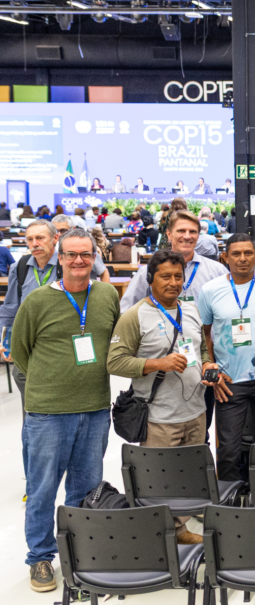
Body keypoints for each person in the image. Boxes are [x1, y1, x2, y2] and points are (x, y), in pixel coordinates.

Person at [10, 228, 120, 592]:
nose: (78, 261)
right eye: (71, 254)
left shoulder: (105, 295)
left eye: (85, 255)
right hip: (47, 413)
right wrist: (52, 383)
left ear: (94, 258)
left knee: (87, 488)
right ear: (60, 257)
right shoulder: (38, 301)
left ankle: (80, 553)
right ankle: (40, 558)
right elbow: (20, 353)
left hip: (94, 408)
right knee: (42, 489)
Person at [106, 249, 218, 543]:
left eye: (178, 276)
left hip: (195, 411)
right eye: (165, 276)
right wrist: (158, 364)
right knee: (160, 479)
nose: (173, 282)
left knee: (189, 474)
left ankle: (179, 528)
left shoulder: (190, 310)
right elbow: (115, 362)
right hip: (159, 417)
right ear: (150, 279)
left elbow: (201, 349)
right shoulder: (135, 316)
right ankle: (159, 537)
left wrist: (207, 364)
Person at [197, 233, 255, 481]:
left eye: (248, 253)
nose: (242, 259)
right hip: (229, 380)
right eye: (236, 254)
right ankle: (228, 497)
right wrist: (211, 368)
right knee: (228, 447)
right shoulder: (210, 290)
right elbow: (205, 334)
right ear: (225, 258)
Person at [0, 220, 61, 414]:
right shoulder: (20, 267)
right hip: (28, 342)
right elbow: (10, 307)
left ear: (55, 238)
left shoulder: (67, 263)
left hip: (60, 342)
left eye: (40, 238)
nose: (34, 243)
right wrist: (5, 340)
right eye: (30, 239)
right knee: (30, 402)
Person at [121, 210, 227, 311]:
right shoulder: (148, 272)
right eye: (181, 231)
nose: (187, 236)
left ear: (198, 236)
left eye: (192, 231)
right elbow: (126, 311)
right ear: (169, 235)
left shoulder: (217, 271)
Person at [52, 214, 110, 283]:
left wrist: (104, 293)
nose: (59, 234)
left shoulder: (85, 247)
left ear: (72, 229)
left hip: (87, 292)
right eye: (55, 231)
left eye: (63, 230)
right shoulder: (51, 249)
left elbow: (103, 272)